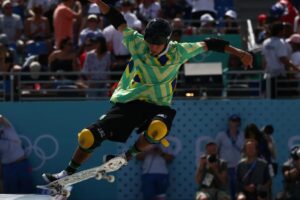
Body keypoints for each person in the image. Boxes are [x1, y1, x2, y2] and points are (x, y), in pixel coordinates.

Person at [42, 0, 253, 183]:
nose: (152, 48)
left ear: (167, 42)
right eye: (150, 43)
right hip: (130, 102)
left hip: (158, 106)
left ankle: (126, 157)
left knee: (157, 130)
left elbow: (211, 43)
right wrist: (99, 2)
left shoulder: (179, 51)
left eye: (157, 45)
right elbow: (118, 19)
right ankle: (65, 175)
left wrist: (240, 52)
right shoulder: (137, 43)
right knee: (88, 137)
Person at [0, 114, 35, 194]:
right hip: (7, 169)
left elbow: (1, 118)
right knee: (10, 194)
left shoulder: (7, 129)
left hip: (22, 165)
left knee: (28, 193)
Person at [216, 114, 244, 200]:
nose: (234, 123)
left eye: (236, 122)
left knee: (238, 189)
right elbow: (216, 150)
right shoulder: (221, 135)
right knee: (227, 190)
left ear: (239, 123)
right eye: (232, 121)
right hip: (226, 168)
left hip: (238, 167)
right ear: (229, 122)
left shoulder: (242, 135)